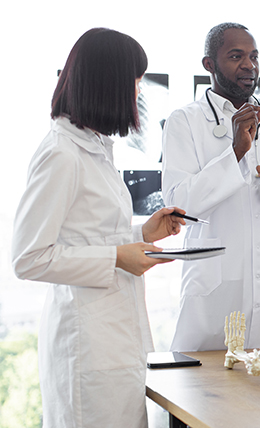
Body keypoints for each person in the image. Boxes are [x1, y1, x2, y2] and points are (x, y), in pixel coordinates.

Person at [11, 28, 186, 428]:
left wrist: (142, 236)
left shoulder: (94, 148)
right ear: (108, 83)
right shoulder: (61, 153)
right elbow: (28, 258)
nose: (138, 94)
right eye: (134, 83)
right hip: (86, 347)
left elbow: (87, 234)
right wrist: (117, 257)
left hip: (113, 338)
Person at [162, 23, 260, 351]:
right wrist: (235, 152)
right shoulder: (184, 122)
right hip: (215, 291)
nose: (249, 65)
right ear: (209, 64)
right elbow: (178, 202)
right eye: (236, 56)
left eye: (254, 56)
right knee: (206, 392)